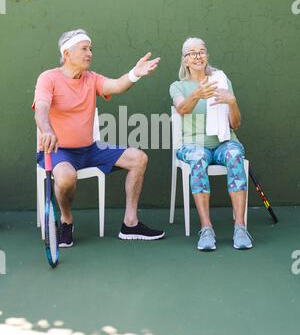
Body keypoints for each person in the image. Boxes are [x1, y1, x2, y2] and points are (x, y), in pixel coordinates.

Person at [33, 29, 165, 247]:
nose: (90, 53)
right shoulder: (48, 78)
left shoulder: (91, 78)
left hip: (90, 150)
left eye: (90, 49)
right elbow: (42, 109)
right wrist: (47, 130)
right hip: (59, 152)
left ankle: (130, 224)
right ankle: (66, 222)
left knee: (138, 158)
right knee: (66, 178)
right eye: (84, 49)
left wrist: (135, 74)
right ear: (67, 53)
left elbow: (116, 85)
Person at [169, 38, 253, 251]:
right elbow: (182, 109)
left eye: (201, 52)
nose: (197, 56)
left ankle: (240, 227)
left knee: (235, 154)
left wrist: (232, 102)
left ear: (207, 56)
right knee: (198, 158)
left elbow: (236, 124)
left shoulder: (221, 79)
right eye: (192, 53)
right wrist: (198, 93)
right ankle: (206, 228)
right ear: (185, 60)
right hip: (193, 145)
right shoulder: (178, 86)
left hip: (225, 142)